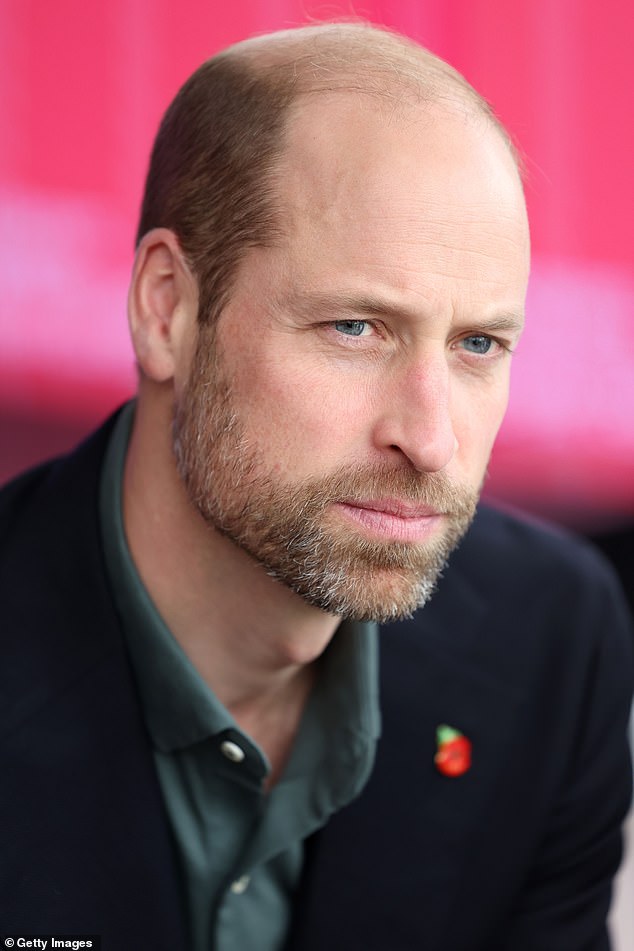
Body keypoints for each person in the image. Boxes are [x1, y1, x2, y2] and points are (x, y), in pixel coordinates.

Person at [1, 22, 632, 951]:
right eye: (354, 328)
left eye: (477, 345)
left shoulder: (553, 645)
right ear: (167, 307)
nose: (428, 438)